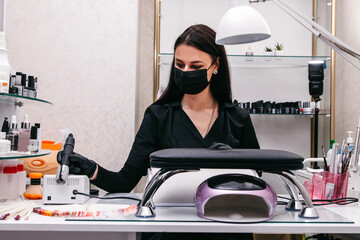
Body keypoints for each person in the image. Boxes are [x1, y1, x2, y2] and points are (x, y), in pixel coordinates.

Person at [58, 23, 259, 240]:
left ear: (216, 65)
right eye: (179, 64)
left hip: (225, 228)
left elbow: (257, 179)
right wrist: (91, 169)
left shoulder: (237, 118)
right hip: (169, 230)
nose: (185, 72)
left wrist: (233, 163)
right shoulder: (158, 116)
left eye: (195, 66)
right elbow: (125, 181)